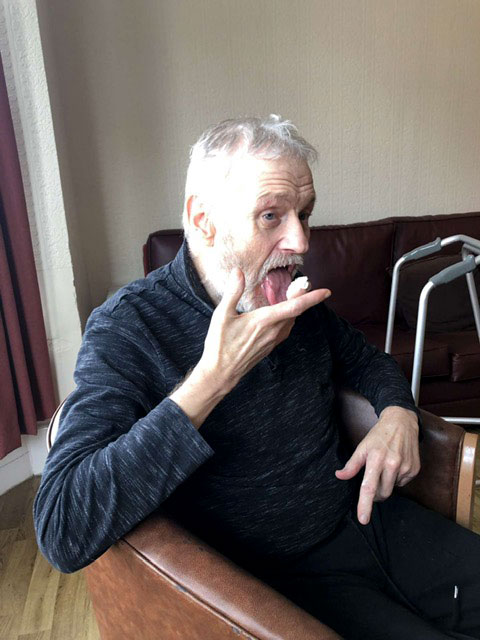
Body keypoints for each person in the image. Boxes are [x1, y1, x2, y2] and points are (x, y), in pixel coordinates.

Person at [34, 115, 480, 639]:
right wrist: (212, 380)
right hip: (277, 585)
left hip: (370, 519)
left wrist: (398, 415)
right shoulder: (130, 326)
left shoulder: (289, 295)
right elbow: (63, 526)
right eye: (271, 216)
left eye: (304, 214)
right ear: (203, 220)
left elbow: (368, 361)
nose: (301, 241)